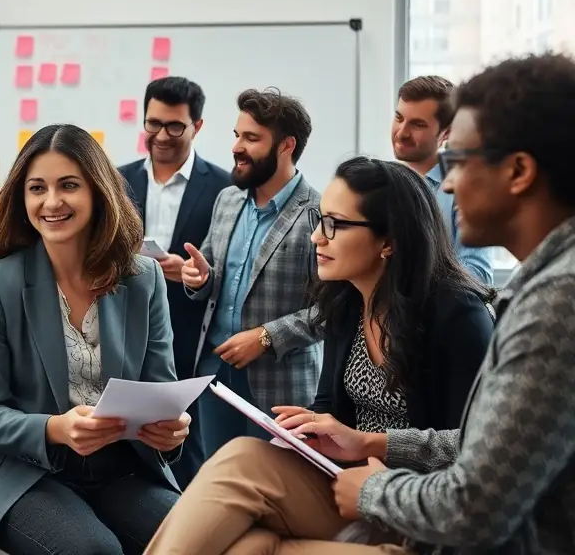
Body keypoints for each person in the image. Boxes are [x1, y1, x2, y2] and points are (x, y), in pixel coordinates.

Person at [143, 156, 495, 554]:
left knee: (246, 507)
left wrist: (369, 444)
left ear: (389, 240)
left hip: (423, 514)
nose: (316, 238)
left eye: (335, 224)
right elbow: (333, 408)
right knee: (244, 491)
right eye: (319, 220)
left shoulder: (457, 315)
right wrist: (310, 427)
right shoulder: (349, 302)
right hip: (353, 489)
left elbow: (480, 450)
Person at [331, 54, 575, 554]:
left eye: (456, 162)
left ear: (519, 171)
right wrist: (373, 443)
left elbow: (474, 506)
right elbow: (487, 447)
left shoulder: (557, 302)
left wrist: (373, 490)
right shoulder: (546, 282)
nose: (444, 183)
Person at [0, 124, 187, 555]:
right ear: (22, 199)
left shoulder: (144, 278)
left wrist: (172, 430)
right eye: (37, 188)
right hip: (24, 474)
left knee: (198, 538)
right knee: (95, 552)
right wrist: (55, 428)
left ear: (98, 192)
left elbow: (159, 392)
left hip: (122, 468)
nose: (52, 202)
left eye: (69, 186)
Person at [182, 88, 322, 458]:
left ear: (286, 146)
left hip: (282, 388)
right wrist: (199, 279)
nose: (237, 147)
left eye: (251, 138)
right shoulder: (228, 199)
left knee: (272, 496)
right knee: (219, 485)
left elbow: (331, 311)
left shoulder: (318, 213)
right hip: (214, 373)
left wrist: (264, 337)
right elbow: (210, 272)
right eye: (237, 135)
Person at [116, 76, 230, 487]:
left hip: (190, 335)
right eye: (153, 124)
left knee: (188, 443)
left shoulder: (225, 188)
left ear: (197, 126)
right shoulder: (116, 180)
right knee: (128, 439)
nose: (161, 135)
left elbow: (229, 271)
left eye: (175, 126)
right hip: (124, 324)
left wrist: (198, 275)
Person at [392, 76, 493, 284]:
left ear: (445, 133)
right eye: (399, 118)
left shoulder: (463, 186)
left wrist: (409, 278)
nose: (402, 133)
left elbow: (479, 274)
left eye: (417, 124)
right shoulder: (384, 183)